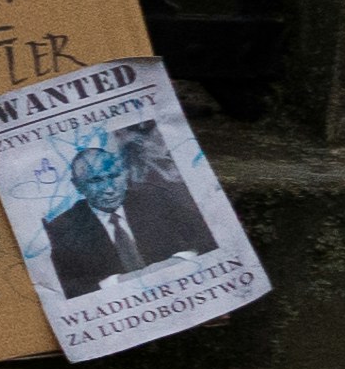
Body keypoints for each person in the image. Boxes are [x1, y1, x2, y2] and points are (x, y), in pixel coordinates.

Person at [42, 124, 215, 295]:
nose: (109, 188)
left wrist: (180, 260)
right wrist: (118, 282)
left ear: (124, 174)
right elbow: (69, 288)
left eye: (113, 176)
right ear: (78, 186)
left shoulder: (156, 198)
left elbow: (208, 239)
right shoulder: (63, 228)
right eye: (96, 181)